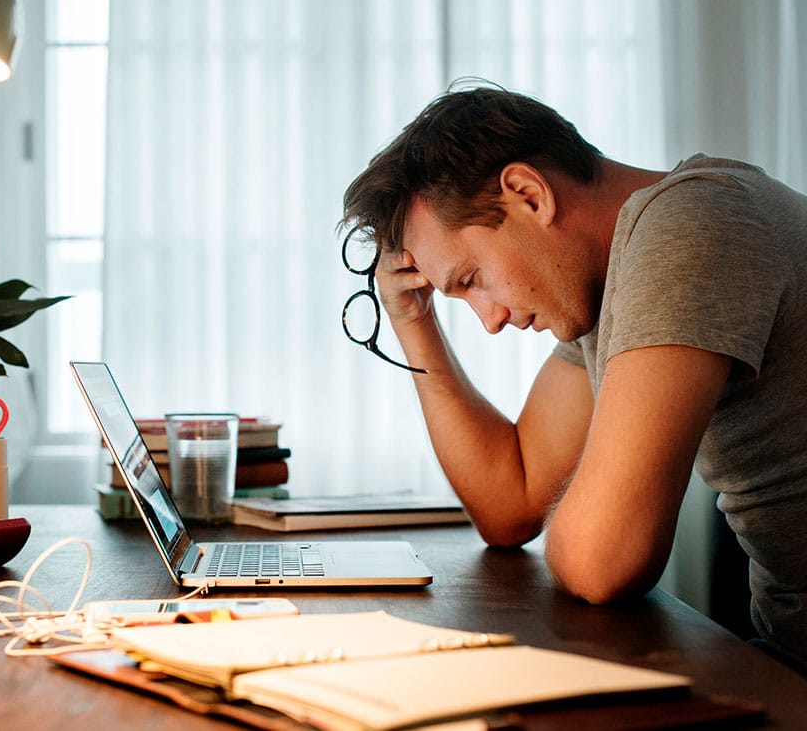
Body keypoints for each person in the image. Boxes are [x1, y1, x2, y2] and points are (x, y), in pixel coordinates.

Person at [339, 83, 807, 673]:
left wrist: (588, 519)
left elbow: (602, 561)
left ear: (528, 195)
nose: (490, 321)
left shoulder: (695, 224)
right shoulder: (606, 284)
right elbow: (511, 505)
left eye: (473, 278)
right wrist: (414, 321)